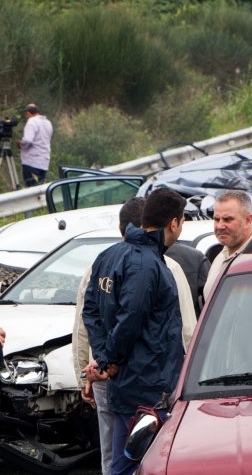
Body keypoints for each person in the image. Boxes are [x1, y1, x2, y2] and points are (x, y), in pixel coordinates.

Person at [73, 197, 196, 475]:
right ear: (174, 223)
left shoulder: (109, 256)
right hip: (146, 387)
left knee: (120, 463)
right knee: (137, 466)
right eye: (182, 221)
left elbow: (90, 312)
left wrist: (104, 358)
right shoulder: (147, 264)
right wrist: (109, 360)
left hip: (126, 386)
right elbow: (130, 319)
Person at [203, 190, 252, 299]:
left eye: (227, 219)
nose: (220, 226)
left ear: (248, 220)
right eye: (217, 219)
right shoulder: (221, 257)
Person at [18, 104, 52, 187]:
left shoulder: (31, 122)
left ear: (28, 113)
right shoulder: (48, 122)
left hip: (32, 162)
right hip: (44, 162)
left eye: (26, 115)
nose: (26, 117)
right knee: (39, 189)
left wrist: (20, 144)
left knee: (31, 188)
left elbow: (28, 140)